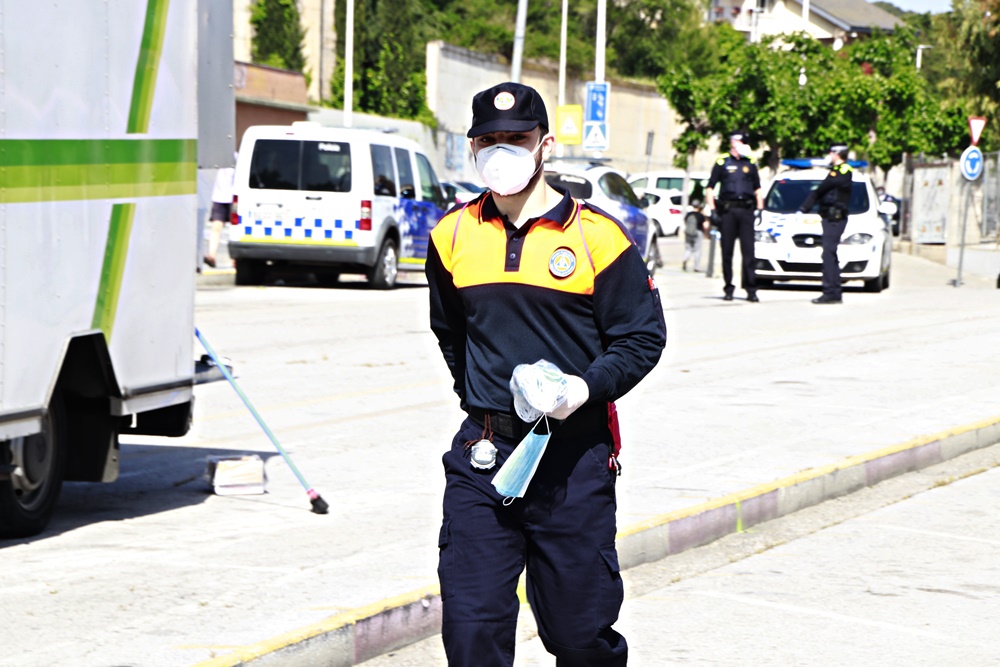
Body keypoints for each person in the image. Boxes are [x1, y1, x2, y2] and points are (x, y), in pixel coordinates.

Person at [425, 82, 666, 667]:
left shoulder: (597, 236)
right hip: (486, 455)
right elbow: (451, 333)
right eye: (489, 140)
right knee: (471, 629)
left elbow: (641, 337)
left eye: (517, 137)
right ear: (472, 147)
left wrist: (584, 388)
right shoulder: (452, 235)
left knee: (579, 633)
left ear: (545, 145)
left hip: (572, 457)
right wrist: (483, 399)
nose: (501, 150)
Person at [705, 130, 763, 302]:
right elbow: (710, 188)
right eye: (740, 141)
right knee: (727, 252)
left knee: (749, 252)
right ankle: (728, 288)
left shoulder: (750, 163)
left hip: (746, 211)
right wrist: (712, 210)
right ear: (734, 143)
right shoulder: (722, 162)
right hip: (728, 211)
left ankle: (751, 289)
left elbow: (757, 189)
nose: (743, 145)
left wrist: (760, 209)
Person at [798, 143, 854, 304]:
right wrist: (804, 208)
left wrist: (805, 206)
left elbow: (822, 189)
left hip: (836, 218)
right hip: (829, 217)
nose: (828, 156)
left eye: (831, 153)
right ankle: (835, 291)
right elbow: (820, 192)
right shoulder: (835, 171)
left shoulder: (844, 170)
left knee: (828, 253)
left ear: (837, 154)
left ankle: (830, 291)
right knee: (830, 253)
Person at [204, 153, 236, 268]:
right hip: (219, 196)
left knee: (234, 229)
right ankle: (211, 256)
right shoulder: (222, 155)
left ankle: (235, 258)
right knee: (216, 227)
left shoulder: (240, 156)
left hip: (235, 197)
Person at [682, 200, 708, 272]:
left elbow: (685, 222)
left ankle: (685, 258)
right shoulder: (700, 215)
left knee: (688, 249)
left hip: (688, 233)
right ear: (699, 206)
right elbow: (706, 225)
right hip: (698, 233)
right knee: (697, 250)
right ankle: (696, 267)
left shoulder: (688, 214)